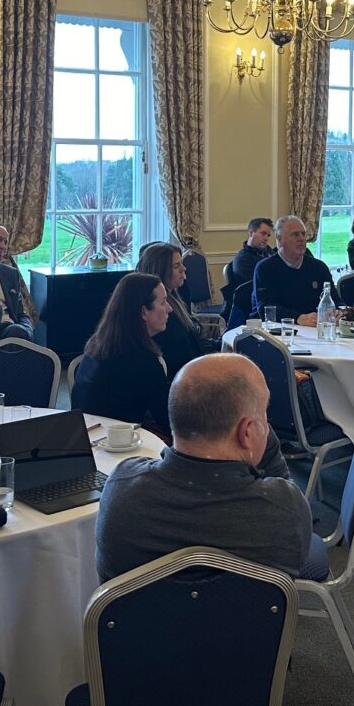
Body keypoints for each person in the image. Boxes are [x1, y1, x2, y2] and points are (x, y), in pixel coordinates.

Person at [95, 353, 313, 582]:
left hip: (140, 607)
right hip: (245, 607)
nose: (267, 429)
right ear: (247, 431)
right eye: (264, 416)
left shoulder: (121, 489)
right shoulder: (285, 510)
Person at [72, 272, 175, 437]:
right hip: (117, 444)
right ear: (144, 312)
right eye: (163, 302)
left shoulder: (98, 344)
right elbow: (170, 422)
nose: (170, 308)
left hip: (84, 437)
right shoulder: (142, 360)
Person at [136, 242, 216, 377]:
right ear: (160, 271)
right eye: (176, 266)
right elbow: (179, 353)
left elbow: (192, 342)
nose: (183, 269)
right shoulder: (159, 312)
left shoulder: (178, 295)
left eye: (181, 264)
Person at [251, 215, 335, 326]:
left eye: (303, 234)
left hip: (315, 328)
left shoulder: (319, 267)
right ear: (280, 239)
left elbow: (335, 300)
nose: (301, 239)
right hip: (279, 329)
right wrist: (298, 318)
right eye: (295, 234)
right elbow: (267, 308)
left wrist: (337, 311)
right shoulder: (265, 268)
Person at [230, 217, 276, 286]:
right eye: (263, 233)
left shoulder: (269, 252)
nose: (266, 238)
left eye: (268, 235)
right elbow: (258, 286)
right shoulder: (242, 259)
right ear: (251, 233)